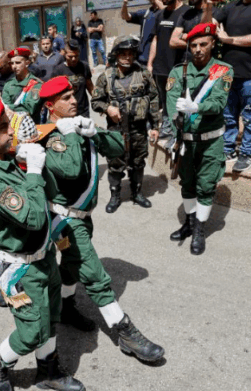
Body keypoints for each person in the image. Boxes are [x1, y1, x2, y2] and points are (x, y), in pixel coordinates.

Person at [0, 98, 85, 391]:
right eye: (3, 129)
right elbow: (31, 216)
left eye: (7, 126)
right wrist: (33, 171)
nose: (11, 133)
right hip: (19, 266)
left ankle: (48, 370)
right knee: (31, 331)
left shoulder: (5, 159)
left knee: (51, 316)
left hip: (42, 255)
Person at [40, 76, 164, 362]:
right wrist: (70, 133)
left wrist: (93, 133)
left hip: (83, 216)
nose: (74, 101)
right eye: (66, 98)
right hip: (65, 220)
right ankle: (125, 332)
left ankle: (67, 306)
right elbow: (70, 170)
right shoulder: (52, 136)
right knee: (95, 275)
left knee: (71, 266)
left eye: (74, 95)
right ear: (50, 105)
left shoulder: (76, 127)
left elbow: (118, 148)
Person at [166, 23, 233, 255]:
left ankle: (199, 230)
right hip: (185, 139)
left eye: (203, 44)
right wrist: (177, 120)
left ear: (213, 43)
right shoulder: (178, 72)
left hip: (210, 141)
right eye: (193, 45)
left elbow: (219, 102)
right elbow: (171, 102)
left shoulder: (223, 70)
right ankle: (188, 222)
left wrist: (196, 106)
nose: (197, 49)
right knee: (187, 184)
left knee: (205, 186)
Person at [92, 36, 160, 213]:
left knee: (138, 162)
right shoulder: (106, 77)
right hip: (116, 130)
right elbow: (96, 101)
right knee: (115, 163)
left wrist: (154, 126)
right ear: (116, 55)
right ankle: (115, 196)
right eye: (123, 54)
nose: (127, 57)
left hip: (138, 129)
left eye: (130, 54)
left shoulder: (144, 74)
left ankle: (136, 193)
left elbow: (153, 99)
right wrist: (108, 109)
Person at [214, 0, 251, 172]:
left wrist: (228, 39)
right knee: (228, 116)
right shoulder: (230, 6)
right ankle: (228, 150)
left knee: (250, 117)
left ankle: (246, 154)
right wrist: (207, 7)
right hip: (228, 74)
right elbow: (210, 24)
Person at [149, 0, 190, 149]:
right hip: (160, 66)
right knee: (165, 101)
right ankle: (167, 129)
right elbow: (155, 39)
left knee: (177, 102)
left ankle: (176, 134)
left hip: (177, 67)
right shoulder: (160, 14)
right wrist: (150, 63)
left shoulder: (187, 12)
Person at [52, 40, 94, 117]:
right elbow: (54, 94)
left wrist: (99, 101)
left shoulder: (84, 67)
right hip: (66, 112)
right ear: (64, 54)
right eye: (70, 56)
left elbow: (90, 86)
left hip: (83, 111)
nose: (74, 59)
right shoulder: (58, 70)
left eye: (76, 56)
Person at [2, 48, 44, 123]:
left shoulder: (36, 84)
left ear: (27, 63)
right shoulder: (8, 85)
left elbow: (29, 108)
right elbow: (4, 108)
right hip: (12, 125)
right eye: (12, 63)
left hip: (32, 125)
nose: (14, 66)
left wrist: (8, 107)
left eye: (18, 63)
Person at [121, 0, 164, 65]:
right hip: (143, 58)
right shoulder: (146, 13)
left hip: (159, 59)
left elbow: (169, 13)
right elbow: (125, 17)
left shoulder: (166, 12)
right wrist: (125, 3)